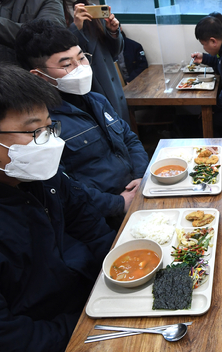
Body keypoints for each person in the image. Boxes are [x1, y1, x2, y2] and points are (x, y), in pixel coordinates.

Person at [0, 61, 115, 352]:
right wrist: (96, 326)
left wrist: (123, 279)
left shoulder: (34, 173)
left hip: (94, 302)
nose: (51, 143)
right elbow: (2, 342)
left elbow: (92, 229)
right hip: (63, 337)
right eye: (34, 132)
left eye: (49, 127)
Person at [15, 19, 149, 230]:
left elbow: (128, 137)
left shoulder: (97, 100)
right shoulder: (43, 124)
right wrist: (118, 203)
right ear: (39, 76)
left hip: (137, 190)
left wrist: (142, 175)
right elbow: (63, 185)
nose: (80, 68)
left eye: (82, 58)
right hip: (101, 217)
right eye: (67, 64)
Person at [62, 0, 130, 125]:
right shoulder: (56, 11)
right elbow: (62, 52)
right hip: (85, 85)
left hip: (109, 79)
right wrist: (76, 27)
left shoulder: (93, 9)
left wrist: (113, 32)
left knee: (121, 127)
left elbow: (114, 52)